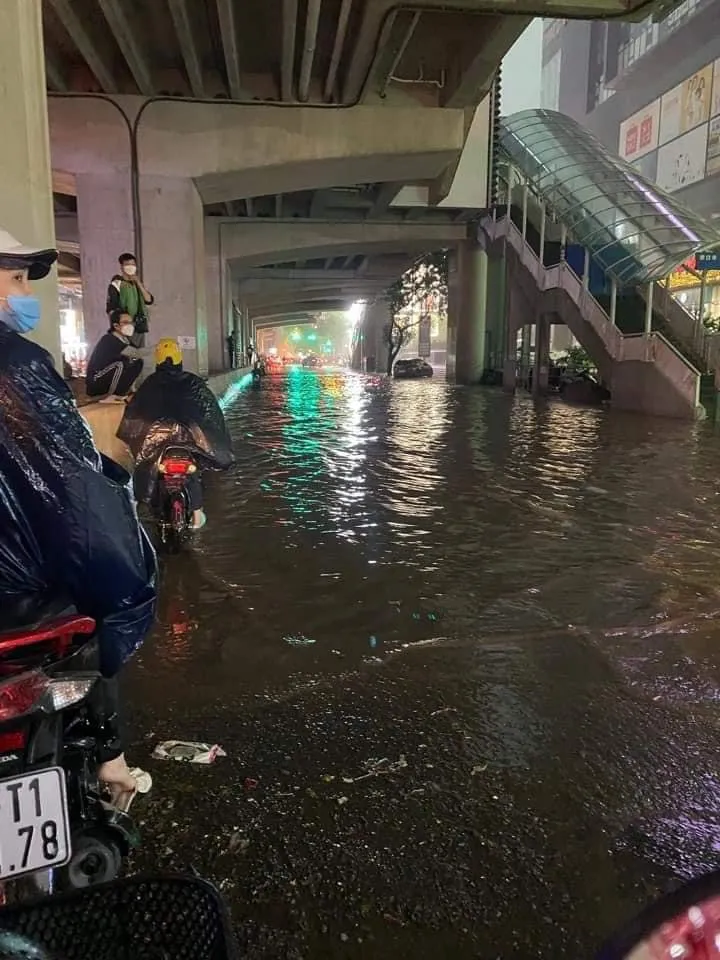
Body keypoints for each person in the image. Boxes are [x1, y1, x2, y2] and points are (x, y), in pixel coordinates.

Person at [0, 226, 157, 801]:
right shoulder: (17, 362)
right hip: (16, 589)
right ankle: (110, 764)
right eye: (15, 277)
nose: (24, 292)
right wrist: (115, 480)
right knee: (102, 609)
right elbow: (67, 478)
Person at [118, 338, 234, 531]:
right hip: (188, 440)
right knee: (194, 472)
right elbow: (209, 410)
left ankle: (141, 505)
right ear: (180, 359)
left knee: (146, 466)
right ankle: (197, 514)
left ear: (158, 360)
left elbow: (135, 413)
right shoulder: (192, 381)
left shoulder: (150, 383)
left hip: (158, 442)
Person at [86, 310, 144, 402]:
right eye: (125, 322)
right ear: (116, 326)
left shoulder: (126, 341)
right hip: (97, 379)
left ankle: (121, 394)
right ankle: (110, 396)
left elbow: (137, 355)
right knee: (120, 364)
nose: (130, 325)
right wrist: (159, 348)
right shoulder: (109, 339)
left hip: (111, 377)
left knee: (138, 362)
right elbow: (136, 353)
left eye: (131, 322)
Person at [106, 253, 153, 348]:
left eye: (133, 265)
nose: (131, 267)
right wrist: (119, 328)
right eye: (128, 264)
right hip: (125, 327)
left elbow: (149, 300)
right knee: (127, 354)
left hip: (139, 326)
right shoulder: (116, 284)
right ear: (122, 266)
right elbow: (111, 308)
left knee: (137, 354)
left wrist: (138, 282)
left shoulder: (136, 284)